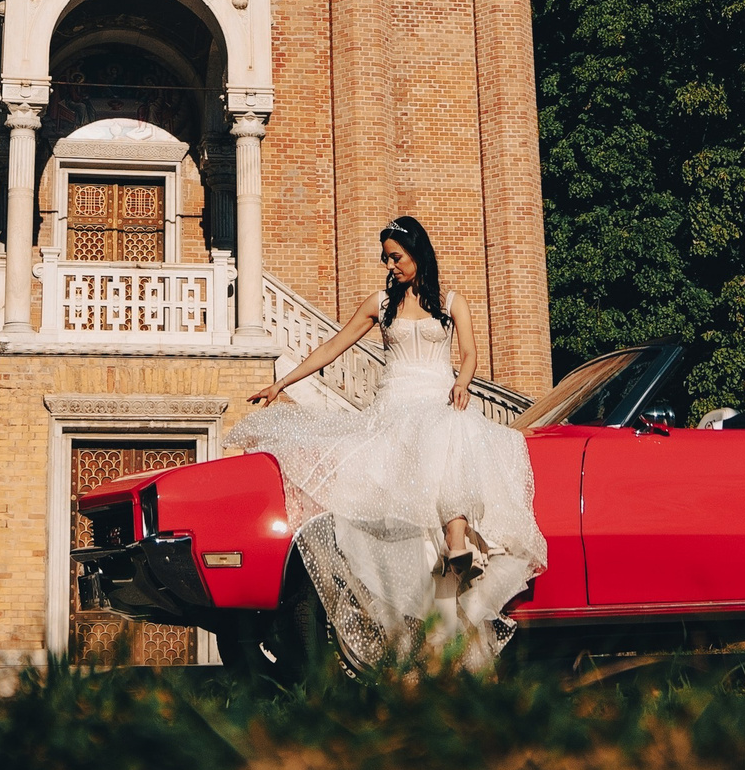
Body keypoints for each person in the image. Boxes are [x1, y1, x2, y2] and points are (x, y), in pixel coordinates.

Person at [232, 215, 546, 671]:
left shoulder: (451, 301)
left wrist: (464, 381)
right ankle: (429, 616)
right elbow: (333, 347)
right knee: (413, 507)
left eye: (396, 256)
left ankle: (457, 547)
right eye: (386, 258)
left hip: (439, 400)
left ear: (417, 252)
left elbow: (472, 352)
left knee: (451, 427)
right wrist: (283, 383)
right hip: (393, 408)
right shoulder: (380, 303)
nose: (390, 264)